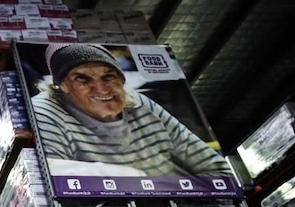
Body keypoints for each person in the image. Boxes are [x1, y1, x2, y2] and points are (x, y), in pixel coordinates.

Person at [31, 43, 232, 177]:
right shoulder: (46, 109)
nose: (101, 88)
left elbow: (216, 167)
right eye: (82, 78)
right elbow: (51, 172)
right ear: (63, 86)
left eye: (109, 76)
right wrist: (129, 176)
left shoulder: (137, 102)